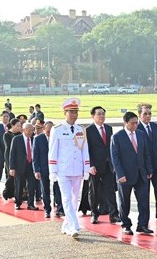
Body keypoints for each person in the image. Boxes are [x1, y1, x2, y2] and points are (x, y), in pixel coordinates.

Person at [48, 98, 90, 238]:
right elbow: (52, 151)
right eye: (71, 112)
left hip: (77, 169)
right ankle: (74, 227)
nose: (74, 114)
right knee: (66, 199)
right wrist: (52, 170)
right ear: (64, 113)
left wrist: (86, 168)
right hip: (63, 170)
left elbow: (85, 150)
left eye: (76, 112)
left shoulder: (81, 130)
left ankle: (66, 225)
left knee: (74, 199)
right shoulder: (57, 130)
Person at [111, 111, 153, 235]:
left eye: (136, 123)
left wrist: (149, 170)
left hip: (141, 174)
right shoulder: (117, 137)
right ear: (125, 123)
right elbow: (115, 158)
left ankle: (143, 225)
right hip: (125, 175)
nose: (135, 125)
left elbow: (146, 154)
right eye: (133, 123)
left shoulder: (140, 134)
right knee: (125, 202)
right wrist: (120, 174)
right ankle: (126, 224)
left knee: (144, 201)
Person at [83, 106, 119, 224]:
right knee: (93, 191)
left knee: (110, 190)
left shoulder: (109, 128)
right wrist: (90, 165)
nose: (101, 116)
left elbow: (110, 147)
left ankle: (113, 214)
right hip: (95, 166)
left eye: (103, 114)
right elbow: (86, 150)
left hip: (108, 165)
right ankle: (94, 214)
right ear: (93, 116)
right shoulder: (88, 130)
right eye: (99, 114)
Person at [136, 103, 157, 220]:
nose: (148, 116)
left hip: (156, 165)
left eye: (149, 113)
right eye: (145, 114)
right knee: (145, 193)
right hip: (144, 167)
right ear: (139, 115)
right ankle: (145, 217)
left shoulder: (155, 126)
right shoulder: (136, 128)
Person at [33, 121, 63, 219]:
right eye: (48, 131)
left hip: (57, 168)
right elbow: (35, 156)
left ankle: (59, 208)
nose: (50, 133)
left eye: (51, 131)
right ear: (44, 129)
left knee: (58, 189)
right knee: (45, 190)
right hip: (43, 168)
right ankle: (47, 209)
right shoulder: (38, 139)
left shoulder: (58, 138)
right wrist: (36, 170)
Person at [9, 123, 38, 211]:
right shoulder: (17, 139)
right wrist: (12, 167)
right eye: (29, 130)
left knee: (32, 186)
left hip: (31, 166)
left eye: (32, 130)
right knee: (19, 185)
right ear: (24, 130)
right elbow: (12, 154)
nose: (30, 132)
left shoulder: (34, 139)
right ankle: (18, 203)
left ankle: (31, 204)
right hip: (19, 166)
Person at [2, 119, 21, 201]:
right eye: (17, 126)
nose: (19, 127)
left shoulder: (20, 134)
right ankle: (8, 193)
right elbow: (9, 149)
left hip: (19, 159)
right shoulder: (7, 135)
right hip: (10, 158)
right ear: (12, 125)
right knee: (11, 176)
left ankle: (17, 194)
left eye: (20, 126)